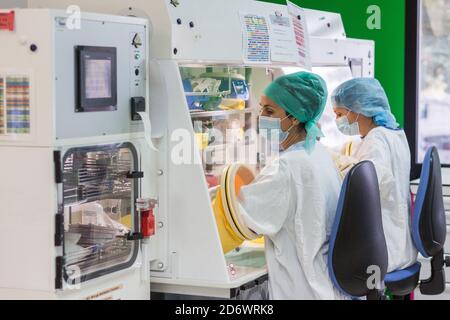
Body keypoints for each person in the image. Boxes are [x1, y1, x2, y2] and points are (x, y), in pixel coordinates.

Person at [237, 72, 345, 300]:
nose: (261, 117)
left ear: (295, 117)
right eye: (260, 109)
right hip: (325, 285)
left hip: (303, 289)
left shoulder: (287, 167)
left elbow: (242, 217)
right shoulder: (318, 154)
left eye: (269, 111)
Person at [331, 77, 418, 273]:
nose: (338, 121)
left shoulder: (376, 139)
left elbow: (365, 190)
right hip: (400, 243)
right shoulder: (394, 134)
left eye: (340, 114)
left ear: (358, 110)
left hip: (384, 250)